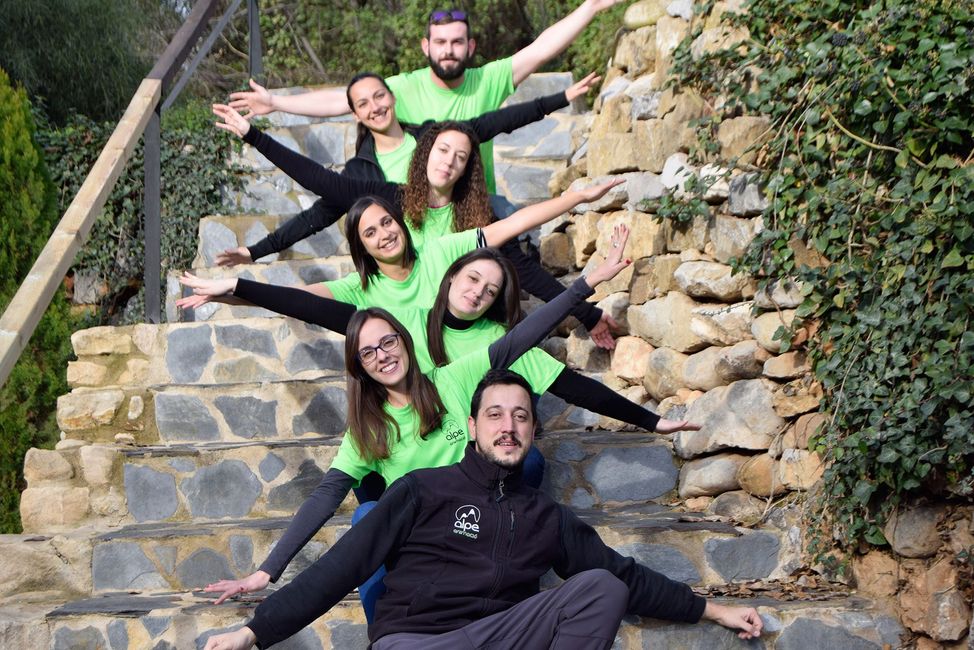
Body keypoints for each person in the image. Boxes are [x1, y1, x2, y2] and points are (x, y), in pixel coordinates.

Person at [199, 226, 635, 617]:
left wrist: (586, 285)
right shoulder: (368, 430)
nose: (382, 355)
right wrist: (266, 572)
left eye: (388, 342)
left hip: (474, 518)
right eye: (368, 352)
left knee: (527, 463)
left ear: (405, 342)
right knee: (366, 514)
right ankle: (384, 632)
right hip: (420, 532)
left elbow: (524, 334)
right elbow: (326, 496)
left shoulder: (453, 378)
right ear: (359, 366)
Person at [201, 368, 764, 650]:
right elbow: (338, 569)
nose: (508, 426)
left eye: (521, 416)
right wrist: (254, 633)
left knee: (601, 587)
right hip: (417, 644)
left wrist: (710, 609)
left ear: (534, 430)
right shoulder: (423, 489)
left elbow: (624, 576)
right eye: (494, 415)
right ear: (471, 428)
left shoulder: (547, 518)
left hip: (499, 637)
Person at [179, 244, 699, 436]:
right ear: (450, 278)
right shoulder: (402, 320)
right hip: (405, 445)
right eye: (472, 279)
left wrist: (652, 420)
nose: (478, 293)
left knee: (531, 463)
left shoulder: (502, 340)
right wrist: (238, 287)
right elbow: (320, 309)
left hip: (467, 453)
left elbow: (575, 388)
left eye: (490, 289)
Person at [228, 2, 627, 193]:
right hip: (418, 209)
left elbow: (540, 49)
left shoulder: (488, 79)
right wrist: (277, 103)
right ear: (426, 46)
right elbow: (342, 101)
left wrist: (590, 6)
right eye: (440, 43)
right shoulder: (403, 87)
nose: (448, 50)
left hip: (476, 201)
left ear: (470, 46)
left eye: (456, 42)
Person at [215, 71, 600, 266]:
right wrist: (257, 251)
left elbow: (494, 122)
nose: (375, 107)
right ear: (355, 114)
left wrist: (560, 97)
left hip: (466, 236)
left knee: (502, 212)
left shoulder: (434, 138)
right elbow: (316, 214)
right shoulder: (361, 174)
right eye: (363, 103)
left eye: (379, 96)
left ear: (392, 97)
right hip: (421, 260)